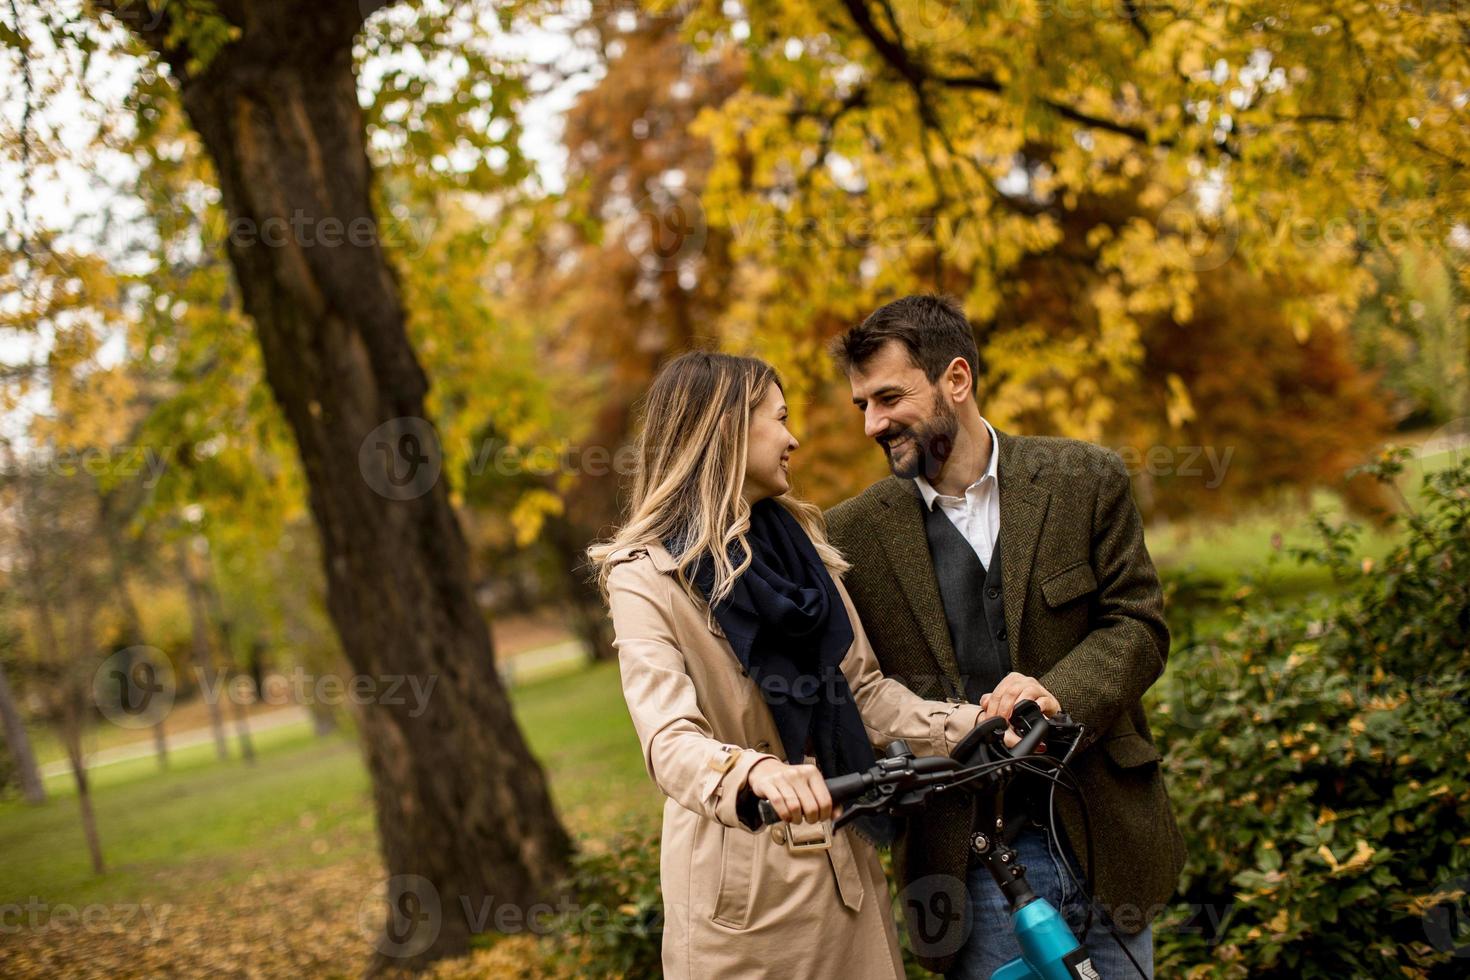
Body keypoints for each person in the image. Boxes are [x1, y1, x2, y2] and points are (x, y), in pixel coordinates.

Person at [588, 350, 989, 979]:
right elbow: (669, 740)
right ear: (727, 430)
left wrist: (973, 724)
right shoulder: (645, 576)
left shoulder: (804, 549)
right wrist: (753, 773)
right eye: (779, 418)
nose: (794, 437)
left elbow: (865, 694)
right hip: (743, 897)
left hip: (845, 869)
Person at [825, 294, 1184, 979]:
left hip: (1104, 841)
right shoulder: (851, 536)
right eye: (862, 405)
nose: (873, 422)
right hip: (966, 865)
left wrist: (1057, 692)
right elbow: (863, 692)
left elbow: (1138, 625)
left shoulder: (1084, 479)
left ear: (956, 380)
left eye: (889, 397)